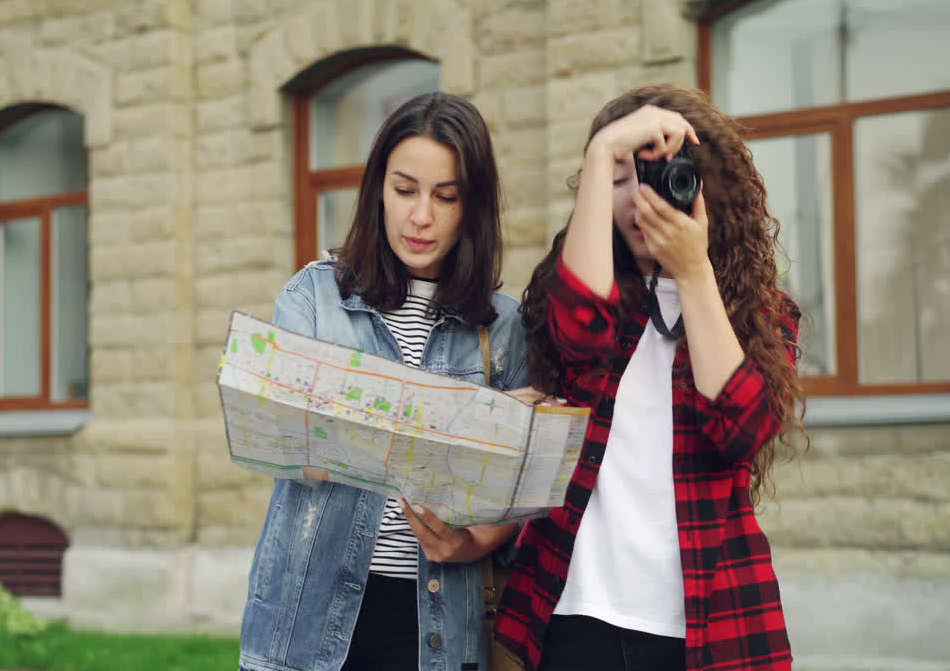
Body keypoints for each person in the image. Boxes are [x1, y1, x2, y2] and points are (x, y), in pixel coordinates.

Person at [494, 84, 806, 671]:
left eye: (661, 177)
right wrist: (600, 151)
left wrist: (692, 270)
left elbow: (740, 429)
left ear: (705, 183)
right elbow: (578, 329)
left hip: (709, 626)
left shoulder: (762, 314)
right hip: (576, 610)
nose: (641, 199)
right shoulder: (592, 296)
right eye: (619, 179)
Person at [239, 91, 530, 671]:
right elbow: (281, 440)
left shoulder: (503, 326)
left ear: (471, 208)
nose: (420, 216)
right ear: (378, 191)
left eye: (445, 197)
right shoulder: (313, 297)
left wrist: (473, 541)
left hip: (439, 627)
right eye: (404, 190)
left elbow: (524, 494)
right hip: (306, 622)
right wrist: (449, 424)